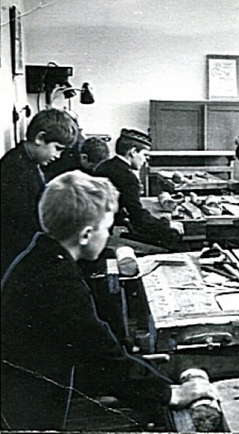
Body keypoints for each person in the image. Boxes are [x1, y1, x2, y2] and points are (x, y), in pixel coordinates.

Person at [0, 171, 218, 430]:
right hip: (25, 406)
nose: (108, 235)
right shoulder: (58, 283)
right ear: (85, 235)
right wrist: (171, 393)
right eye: (106, 228)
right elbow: (101, 358)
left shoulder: (41, 257)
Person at [0, 108, 77, 276]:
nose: (58, 156)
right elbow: (22, 222)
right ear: (40, 138)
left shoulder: (29, 163)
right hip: (15, 256)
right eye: (57, 148)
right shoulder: (15, 169)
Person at [94, 128, 183, 248]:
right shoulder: (127, 177)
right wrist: (166, 224)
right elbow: (138, 217)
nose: (145, 161)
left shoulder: (104, 166)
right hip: (105, 236)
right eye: (145, 155)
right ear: (133, 152)